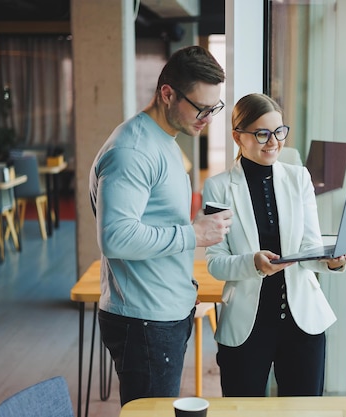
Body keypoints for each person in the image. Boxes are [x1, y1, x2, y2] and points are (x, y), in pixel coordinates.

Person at [89, 45, 233, 406]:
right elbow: (116, 237)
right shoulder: (132, 151)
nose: (208, 118)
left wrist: (182, 284)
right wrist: (194, 234)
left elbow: (155, 222)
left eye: (214, 108)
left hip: (162, 312)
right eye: (201, 108)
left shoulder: (165, 139)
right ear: (167, 93)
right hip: (145, 321)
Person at [202, 93, 346, 397]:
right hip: (246, 326)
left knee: (304, 412)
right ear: (238, 136)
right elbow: (214, 262)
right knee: (242, 412)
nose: (274, 142)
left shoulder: (298, 178)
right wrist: (252, 262)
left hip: (302, 323)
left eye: (279, 132)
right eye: (262, 133)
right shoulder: (218, 187)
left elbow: (309, 247)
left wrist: (333, 259)